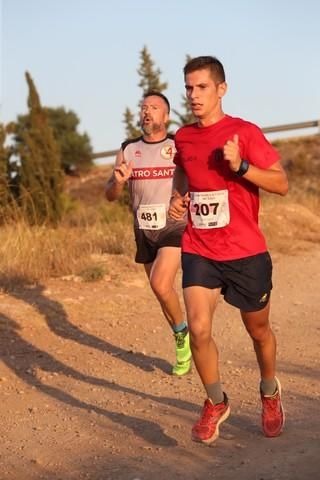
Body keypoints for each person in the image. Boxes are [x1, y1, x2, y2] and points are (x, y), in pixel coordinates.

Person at [169, 56, 288, 444]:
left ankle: (269, 391)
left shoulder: (244, 132)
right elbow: (184, 173)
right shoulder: (183, 137)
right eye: (188, 87)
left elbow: (280, 183)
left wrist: (240, 167)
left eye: (201, 87)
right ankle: (216, 401)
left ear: (221, 88)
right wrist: (178, 198)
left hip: (245, 251)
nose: (193, 95)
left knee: (258, 331)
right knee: (200, 330)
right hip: (199, 247)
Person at [105, 91, 191, 376]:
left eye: (154, 107)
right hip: (143, 229)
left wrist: (185, 199)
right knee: (161, 293)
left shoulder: (178, 145)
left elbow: (195, 178)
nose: (147, 112)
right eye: (143, 107)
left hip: (173, 226)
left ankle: (183, 338)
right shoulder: (128, 149)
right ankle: (182, 335)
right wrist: (118, 183)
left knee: (160, 284)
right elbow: (110, 194)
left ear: (165, 116)